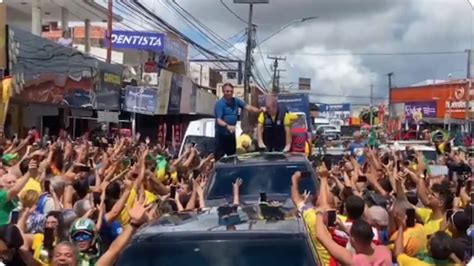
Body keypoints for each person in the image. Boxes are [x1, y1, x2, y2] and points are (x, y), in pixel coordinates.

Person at [214, 83, 262, 159]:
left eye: (231, 91)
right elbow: (219, 120)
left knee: (232, 157)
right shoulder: (220, 104)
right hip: (221, 136)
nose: (229, 93)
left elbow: (248, 107)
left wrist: (259, 110)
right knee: (219, 157)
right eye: (227, 91)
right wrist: (227, 126)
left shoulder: (236, 101)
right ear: (223, 92)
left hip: (231, 135)